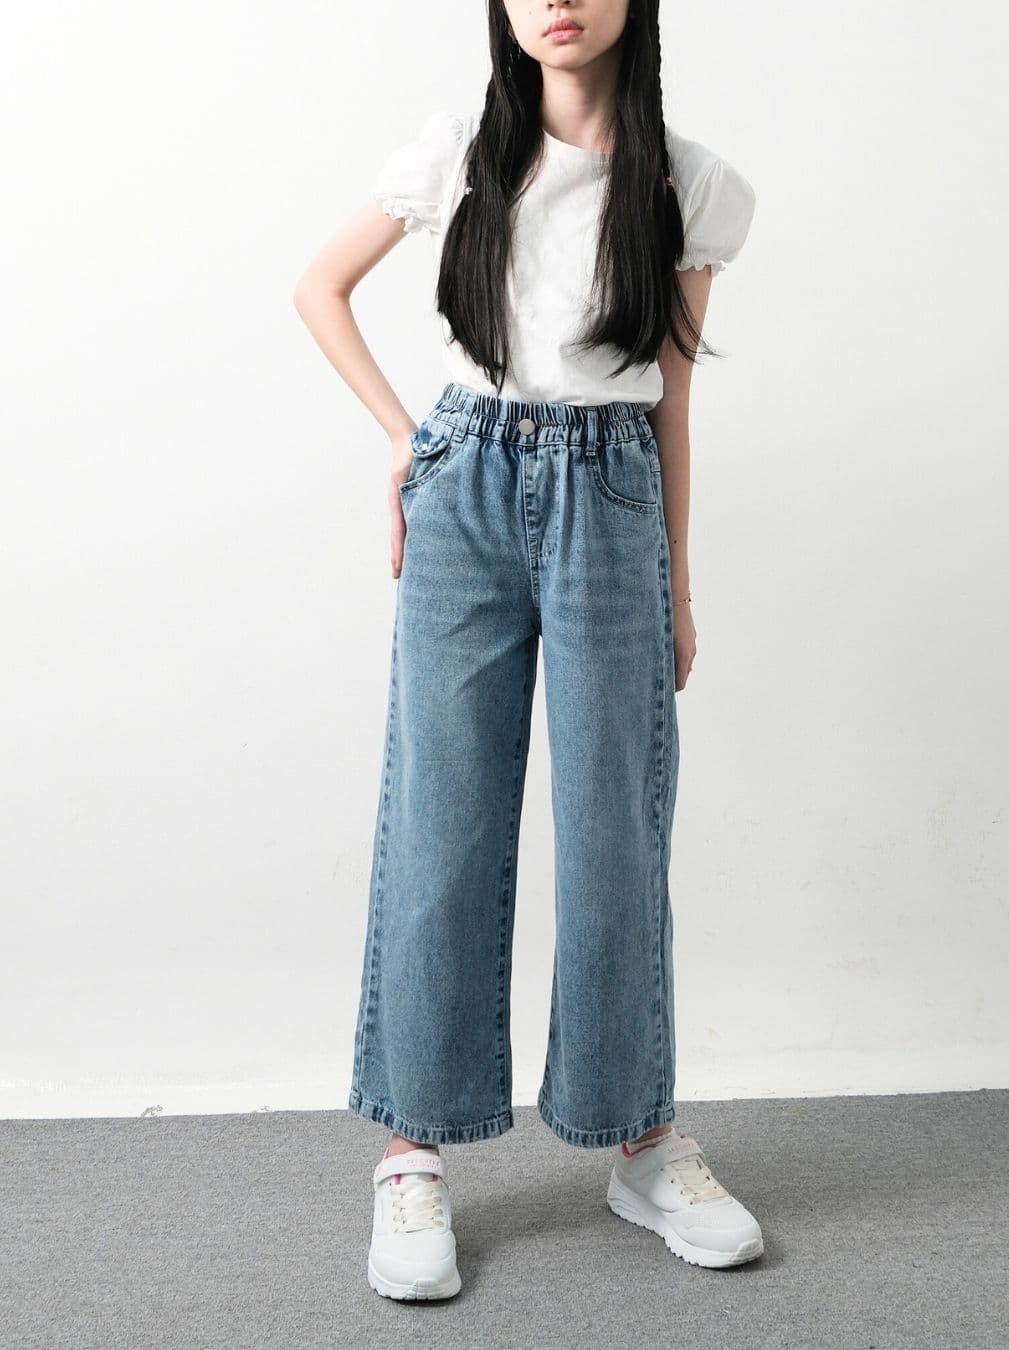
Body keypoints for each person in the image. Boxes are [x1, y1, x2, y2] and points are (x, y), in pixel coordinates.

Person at [294, 0, 762, 1302]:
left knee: (616, 823)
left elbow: (672, 392)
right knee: (443, 815)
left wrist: (675, 578)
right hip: (469, 475)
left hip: (613, 493)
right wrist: (408, 441)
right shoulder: (461, 151)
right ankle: (413, 1149)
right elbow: (318, 286)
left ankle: (640, 1138)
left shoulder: (689, 184)